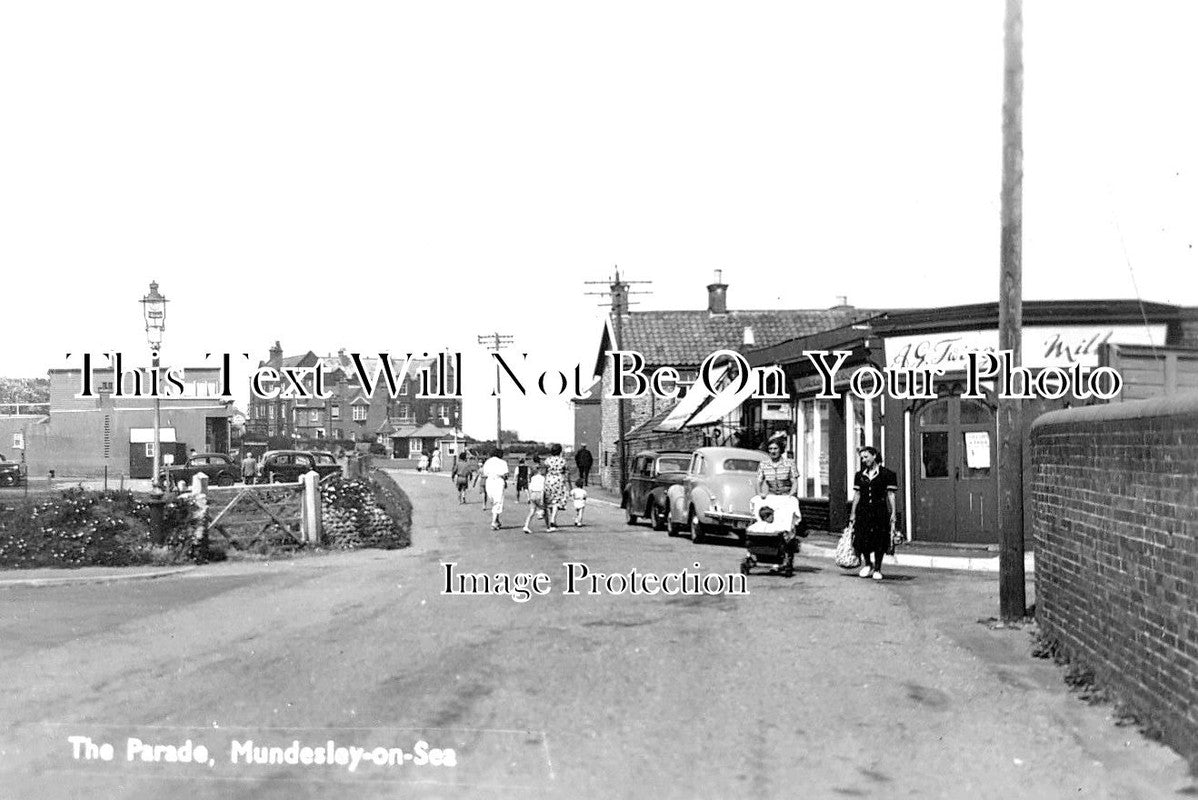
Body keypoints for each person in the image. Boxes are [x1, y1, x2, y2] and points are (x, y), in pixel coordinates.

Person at [850, 446, 899, 581]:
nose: (864, 460)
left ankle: (877, 568)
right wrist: (853, 513)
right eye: (862, 458)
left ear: (874, 456)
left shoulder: (887, 474)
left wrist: (893, 512)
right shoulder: (860, 475)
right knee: (863, 537)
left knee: (879, 539)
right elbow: (857, 495)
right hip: (863, 511)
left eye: (866, 457)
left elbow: (891, 495)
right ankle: (867, 564)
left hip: (880, 511)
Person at [481, 449, 510, 530]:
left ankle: (496, 521)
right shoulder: (502, 462)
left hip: (489, 481)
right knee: (498, 501)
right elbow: (506, 474)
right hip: (498, 481)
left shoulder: (487, 462)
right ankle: (493, 522)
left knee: (493, 501)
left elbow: (485, 473)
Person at [543, 444, 569, 532]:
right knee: (556, 501)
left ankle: (551, 518)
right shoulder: (562, 460)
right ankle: (553, 519)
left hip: (549, 480)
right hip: (559, 480)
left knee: (550, 500)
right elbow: (565, 471)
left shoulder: (548, 460)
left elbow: (545, 471)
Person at [522, 464, 548, 534]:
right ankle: (547, 525)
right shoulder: (543, 478)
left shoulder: (533, 478)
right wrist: (542, 499)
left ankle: (526, 526)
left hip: (533, 494)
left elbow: (530, 488)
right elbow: (543, 489)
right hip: (539, 494)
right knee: (544, 510)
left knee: (531, 511)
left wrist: (529, 497)